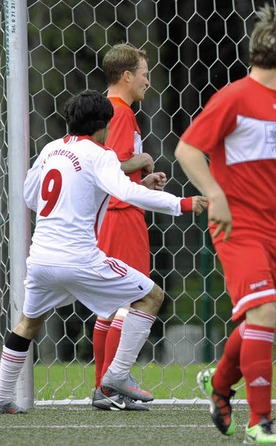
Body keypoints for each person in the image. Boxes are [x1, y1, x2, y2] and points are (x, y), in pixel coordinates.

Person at [174, 5, 276, 444]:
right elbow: (188, 150)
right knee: (261, 313)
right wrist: (217, 195)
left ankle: (220, 384)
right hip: (238, 226)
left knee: (263, 321)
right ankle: (260, 421)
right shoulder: (234, 96)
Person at [0, 90, 207, 414]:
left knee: (27, 324)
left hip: (40, 258)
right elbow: (125, 191)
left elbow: (29, 196)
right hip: (80, 258)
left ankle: (0, 396)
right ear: (104, 125)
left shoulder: (51, 149)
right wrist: (181, 203)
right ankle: (116, 377)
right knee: (151, 297)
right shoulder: (101, 154)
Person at [92, 43, 166, 411]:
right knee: (134, 299)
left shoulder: (106, 111)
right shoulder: (120, 113)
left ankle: (104, 388)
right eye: (144, 73)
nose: (147, 81)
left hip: (112, 211)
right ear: (126, 76)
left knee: (110, 305)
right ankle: (110, 386)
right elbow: (113, 165)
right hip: (122, 214)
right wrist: (145, 159)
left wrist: (143, 181)